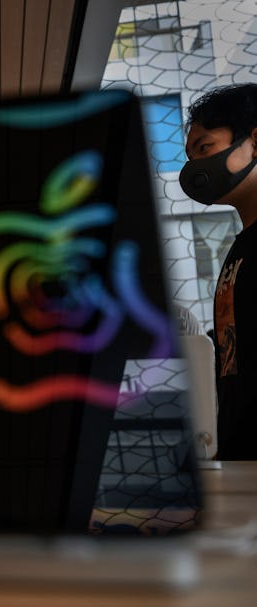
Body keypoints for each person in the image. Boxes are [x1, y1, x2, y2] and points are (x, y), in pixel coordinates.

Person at [179, 83, 257, 460]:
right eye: (190, 157)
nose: (194, 169)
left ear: (254, 142)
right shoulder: (239, 250)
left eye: (204, 148)